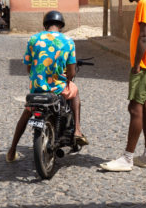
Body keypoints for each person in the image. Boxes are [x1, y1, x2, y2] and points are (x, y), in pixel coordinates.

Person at [6, 10, 87, 162]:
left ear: (45, 25)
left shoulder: (33, 39)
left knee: (26, 114)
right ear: (61, 25)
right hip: (57, 88)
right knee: (75, 91)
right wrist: (68, 77)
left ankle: (12, 150)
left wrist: (38, 79)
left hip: (37, 89)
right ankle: (77, 130)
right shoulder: (68, 41)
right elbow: (70, 71)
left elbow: (29, 68)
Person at [101, 0, 146, 172]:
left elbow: (144, 36)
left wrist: (136, 64)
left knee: (135, 109)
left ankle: (127, 158)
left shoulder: (144, 4)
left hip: (144, 64)